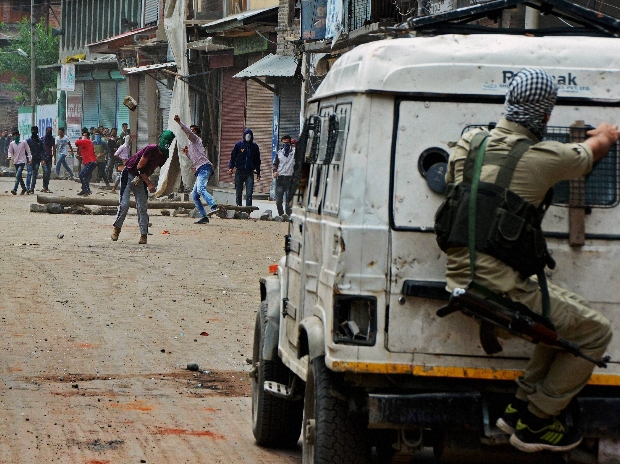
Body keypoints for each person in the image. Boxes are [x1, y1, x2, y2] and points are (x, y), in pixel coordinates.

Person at [438, 68, 619, 453]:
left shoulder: (471, 141)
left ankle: (517, 407)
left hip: (460, 278)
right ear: (546, 115)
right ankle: (537, 422)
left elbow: (456, 182)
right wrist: (606, 134)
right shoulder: (544, 157)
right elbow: (590, 154)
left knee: (568, 322)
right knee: (596, 331)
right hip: (499, 288)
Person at [111, 130, 175, 244]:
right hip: (129, 173)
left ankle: (143, 234)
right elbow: (140, 166)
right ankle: (117, 228)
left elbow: (151, 169)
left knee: (142, 206)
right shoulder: (151, 149)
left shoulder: (165, 156)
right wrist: (149, 183)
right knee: (124, 204)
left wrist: (142, 179)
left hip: (141, 177)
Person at [174, 115, 218, 224]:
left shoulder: (196, 139)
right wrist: (187, 153)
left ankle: (213, 205)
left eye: (193, 130)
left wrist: (180, 123)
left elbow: (188, 132)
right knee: (194, 195)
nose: (190, 132)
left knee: (201, 189)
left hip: (204, 168)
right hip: (201, 169)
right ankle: (204, 217)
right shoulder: (192, 145)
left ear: (196, 133)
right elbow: (195, 159)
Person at [228, 128, 261, 207]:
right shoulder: (239, 145)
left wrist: (258, 172)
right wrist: (231, 167)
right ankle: (239, 208)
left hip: (249, 173)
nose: (248, 136)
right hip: (239, 172)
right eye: (247, 135)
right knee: (238, 192)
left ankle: (248, 211)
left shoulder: (255, 147)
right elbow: (233, 157)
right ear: (244, 135)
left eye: (249, 135)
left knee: (249, 193)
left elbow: (257, 161)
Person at [272, 134, 295, 217]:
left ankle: (288, 215)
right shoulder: (279, 153)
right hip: (280, 178)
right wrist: (275, 171)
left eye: (287, 143)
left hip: (290, 178)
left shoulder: (294, 152)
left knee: (289, 200)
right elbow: (275, 164)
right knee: (278, 200)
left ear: (290, 143)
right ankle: (281, 215)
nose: (286, 144)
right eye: (284, 143)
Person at [7, 129, 31, 195]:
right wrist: (9, 156)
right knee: (19, 176)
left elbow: (28, 151)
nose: (16, 136)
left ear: (19, 135)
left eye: (16, 135)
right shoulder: (12, 144)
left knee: (17, 175)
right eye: (14, 136)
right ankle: (24, 188)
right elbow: (10, 151)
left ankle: (15, 189)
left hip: (22, 161)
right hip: (16, 161)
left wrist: (30, 159)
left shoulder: (23, 142)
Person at [74, 130, 97, 196]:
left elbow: (76, 142)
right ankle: (84, 189)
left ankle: (87, 190)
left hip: (91, 162)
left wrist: (82, 139)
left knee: (82, 174)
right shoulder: (85, 145)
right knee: (85, 176)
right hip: (89, 162)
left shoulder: (87, 141)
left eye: (84, 136)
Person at [25, 126, 45, 194]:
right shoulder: (28, 141)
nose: (34, 132)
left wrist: (42, 159)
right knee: (29, 173)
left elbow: (43, 151)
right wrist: (28, 159)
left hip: (37, 160)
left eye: (35, 131)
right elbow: (25, 151)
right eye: (33, 130)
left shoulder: (40, 141)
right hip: (29, 160)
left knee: (34, 174)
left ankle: (32, 188)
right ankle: (28, 187)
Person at [40, 126, 55, 193]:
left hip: (49, 157)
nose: (49, 131)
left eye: (50, 130)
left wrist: (55, 158)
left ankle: (46, 187)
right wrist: (41, 158)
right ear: (46, 131)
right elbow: (40, 148)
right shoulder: (42, 139)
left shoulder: (52, 139)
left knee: (48, 173)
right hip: (43, 157)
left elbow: (54, 148)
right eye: (48, 130)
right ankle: (44, 186)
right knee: (45, 171)